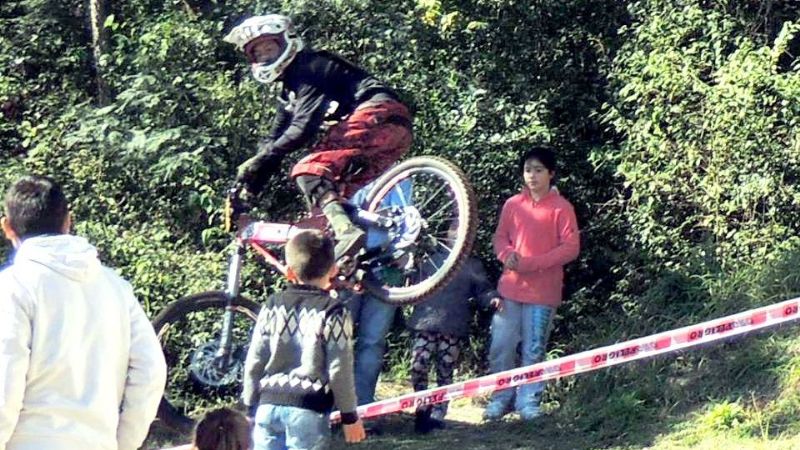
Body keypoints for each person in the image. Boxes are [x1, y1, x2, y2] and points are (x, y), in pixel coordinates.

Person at [223, 14, 413, 259]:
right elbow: (273, 143)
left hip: (374, 115)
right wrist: (247, 188)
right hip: (394, 132)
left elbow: (302, 129)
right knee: (332, 205)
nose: (265, 56)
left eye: (270, 48)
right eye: (258, 54)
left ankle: (348, 234)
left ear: (287, 41)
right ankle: (369, 260)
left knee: (308, 170)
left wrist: (261, 159)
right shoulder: (288, 94)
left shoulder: (309, 67)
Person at [0, 175, 167, 450]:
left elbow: (5, 378)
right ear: (68, 220)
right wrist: (122, 442)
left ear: (7, 227)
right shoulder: (116, 287)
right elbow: (151, 369)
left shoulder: (12, 287)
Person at [242, 230, 366, 450]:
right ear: (333, 269)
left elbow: (255, 360)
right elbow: (339, 369)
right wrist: (349, 416)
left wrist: (249, 406)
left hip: (267, 406)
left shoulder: (273, 304)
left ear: (289, 273)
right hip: (309, 410)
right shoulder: (334, 311)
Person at [482, 147, 580, 422]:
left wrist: (533, 263)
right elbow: (499, 238)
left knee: (534, 348)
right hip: (510, 289)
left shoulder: (562, 207)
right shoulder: (513, 204)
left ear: (551, 173)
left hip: (543, 293)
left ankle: (529, 402)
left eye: (538, 170)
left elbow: (571, 248)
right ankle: (501, 398)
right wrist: (506, 255)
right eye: (528, 170)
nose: (532, 176)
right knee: (501, 345)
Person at [406, 253, 498, 433]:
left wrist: (492, 298)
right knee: (418, 363)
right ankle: (422, 406)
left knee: (445, 368)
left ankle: (439, 412)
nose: (455, 231)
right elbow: (413, 282)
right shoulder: (430, 259)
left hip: (453, 323)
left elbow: (483, 289)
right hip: (426, 320)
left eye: (459, 227)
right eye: (452, 226)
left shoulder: (471, 264)